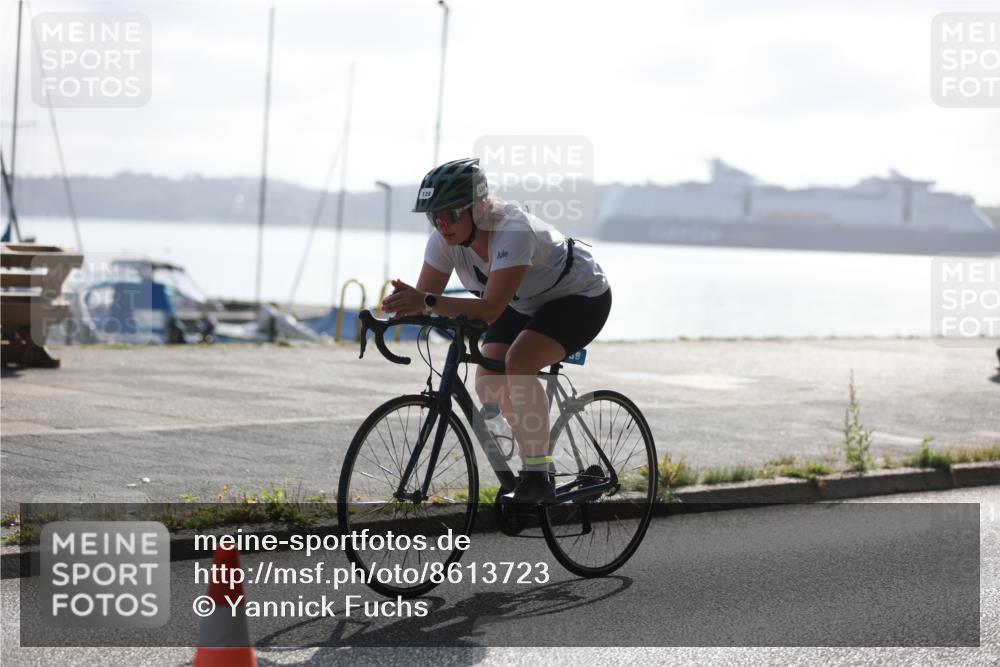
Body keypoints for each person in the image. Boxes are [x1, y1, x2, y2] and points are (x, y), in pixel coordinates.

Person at [381, 157, 611, 503]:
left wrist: (425, 301)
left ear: (478, 208)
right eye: (434, 216)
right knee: (488, 383)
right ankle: (528, 443)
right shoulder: (443, 241)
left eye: (450, 214)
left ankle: (538, 474)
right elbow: (424, 300)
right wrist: (386, 318)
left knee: (519, 361)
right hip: (522, 302)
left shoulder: (512, 231)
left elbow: (488, 309)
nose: (441, 224)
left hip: (579, 297)